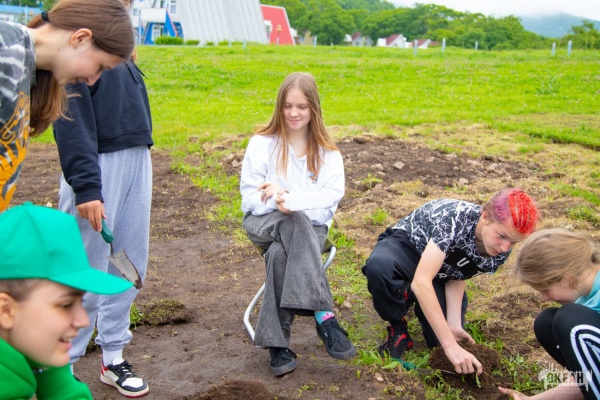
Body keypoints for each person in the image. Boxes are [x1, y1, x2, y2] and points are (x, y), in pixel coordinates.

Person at [52, 0, 152, 396]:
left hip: (136, 159)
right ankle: (63, 365)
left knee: (129, 263)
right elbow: (71, 121)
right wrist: (88, 187)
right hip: (98, 166)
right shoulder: (79, 48)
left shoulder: (119, 44)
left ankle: (112, 356)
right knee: (85, 269)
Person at [240, 72, 356, 377]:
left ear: (313, 108)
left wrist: (287, 198)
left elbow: (328, 201)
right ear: (280, 106)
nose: (294, 113)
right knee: (293, 222)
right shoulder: (261, 144)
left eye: (302, 107)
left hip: (310, 229)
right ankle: (324, 315)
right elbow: (250, 199)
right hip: (264, 222)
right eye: (288, 106)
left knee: (282, 251)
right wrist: (279, 203)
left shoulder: (329, 155)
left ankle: (276, 345)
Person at [362, 188, 539, 375]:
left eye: (513, 242)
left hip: (439, 272)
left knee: (440, 342)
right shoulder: (454, 220)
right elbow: (422, 281)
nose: (504, 248)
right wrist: (450, 346)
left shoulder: (498, 252)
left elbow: (456, 276)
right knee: (380, 268)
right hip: (408, 249)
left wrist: (453, 325)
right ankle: (398, 327)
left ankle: (414, 294)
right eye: (502, 236)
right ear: (485, 217)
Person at [0, 0, 135, 212]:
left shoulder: (27, 71)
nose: (92, 80)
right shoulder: (5, 50)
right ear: (80, 38)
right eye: (99, 67)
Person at [0, 203, 133, 400]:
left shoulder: (36, 350)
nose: (83, 321)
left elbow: (66, 393)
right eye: (65, 305)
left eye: (81, 300)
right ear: (6, 310)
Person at [498, 229, 600, 400]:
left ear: (566, 278)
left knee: (569, 320)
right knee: (546, 323)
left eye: (545, 289)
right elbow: (591, 377)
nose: (544, 298)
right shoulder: (587, 299)